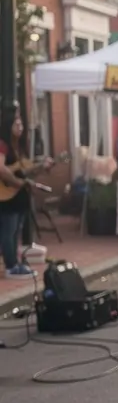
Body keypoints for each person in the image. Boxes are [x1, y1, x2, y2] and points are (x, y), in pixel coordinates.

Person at [0, 111, 43, 278]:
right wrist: (16, 182)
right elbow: (1, 168)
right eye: (16, 124)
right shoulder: (3, 144)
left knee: (16, 231)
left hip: (18, 196)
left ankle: (16, 262)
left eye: (21, 124)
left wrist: (41, 167)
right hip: (6, 195)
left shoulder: (19, 147)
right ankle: (11, 266)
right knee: (8, 231)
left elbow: (24, 170)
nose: (20, 127)